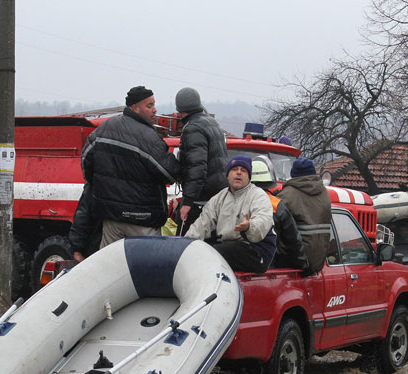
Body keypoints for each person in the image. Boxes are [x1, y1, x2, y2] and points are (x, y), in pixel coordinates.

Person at [81, 85, 179, 247]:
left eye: (154, 105)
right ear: (135, 108)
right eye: (150, 106)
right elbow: (169, 173)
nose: (155, 110)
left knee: (112, 269)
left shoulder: (104, 128)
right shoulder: (149, 137)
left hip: (111, 219)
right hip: (143, 221)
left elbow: (86, 161)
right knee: (144, 269)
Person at [185, 155, 275, 273]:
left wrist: (249, 227)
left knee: (213, 252)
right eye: (234, 169)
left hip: (256, 250)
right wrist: (185, 245)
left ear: (249, 177)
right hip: (229, 247)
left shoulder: (259, 196)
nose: (238, 173)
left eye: (243, 170)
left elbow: (262, 222)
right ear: (227, 176)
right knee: (202, 249)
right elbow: (203, 223)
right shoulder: (219, 198)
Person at [174, 87, 227, 235]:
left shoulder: (193, 128)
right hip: (216, 197)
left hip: (200, 200)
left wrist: (188, 202)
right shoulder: (211, 122)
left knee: (185, 246)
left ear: (180, 109)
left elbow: (197, 167)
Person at [275, 158, 332, 274]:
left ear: (293, 174)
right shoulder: (325, 193)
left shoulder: (287, 195)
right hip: (318, 262)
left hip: (294, 263)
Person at [250, 159, 307, 270]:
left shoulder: (233, 202)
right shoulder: (276, 205)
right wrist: (303, 265)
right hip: (272, 268)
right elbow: (293, 241)